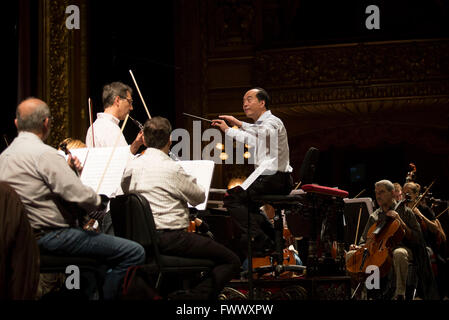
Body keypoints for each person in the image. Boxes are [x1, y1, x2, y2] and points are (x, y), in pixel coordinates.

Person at [0, 98, 145, 300]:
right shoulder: (45, 155)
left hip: (21, 237)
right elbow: (81, 197)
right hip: (51, 236)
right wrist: (98, 200)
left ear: (17, 124)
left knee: (100, 260)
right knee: (134, 252)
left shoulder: (4, 158)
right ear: (46, 122)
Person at [121, 116, 241, 300]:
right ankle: (191, 300)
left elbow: (125, 189)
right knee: (231, 260)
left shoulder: (131, 167)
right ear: (170, 139)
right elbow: (199, 196)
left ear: (144, 139)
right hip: (172, 239)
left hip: (142, 240)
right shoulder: (172, 169)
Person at [211, 88, 293, 256]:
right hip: (268, 178)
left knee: (232, 199)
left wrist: (238, 123)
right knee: (244, 203)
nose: (245, 104)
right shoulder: (261, 125)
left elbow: (261, 132)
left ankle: (260, 239)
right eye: (243, 101)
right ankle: (272, 239)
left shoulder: (272, 121)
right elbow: (252, 139)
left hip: (274, 178)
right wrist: (227, 130)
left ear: (262, 103)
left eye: (249, 99)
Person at [349, 180, 438, 300]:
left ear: (392, 193)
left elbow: (418, 237)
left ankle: (399, 294)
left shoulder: (406, 212)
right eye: (376, 193)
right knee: (351, 255)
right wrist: (359, 247)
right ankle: (362, 294)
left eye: (381, 192)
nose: (378, 196)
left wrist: (401, 222)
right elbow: (364, 240)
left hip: (402, 248)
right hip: (379, 251)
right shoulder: (374, 216)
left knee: (399, 253)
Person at [85, 81, 143, 155]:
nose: (131, 108)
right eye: (129, 102)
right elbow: (122, 161)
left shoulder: (94, 126)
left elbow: (120, 156)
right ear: (117, 100)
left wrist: (136, 144)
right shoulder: (109, 127)